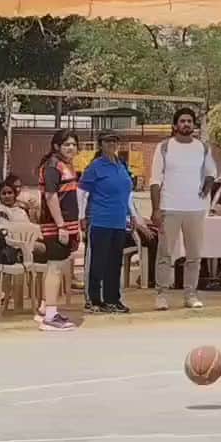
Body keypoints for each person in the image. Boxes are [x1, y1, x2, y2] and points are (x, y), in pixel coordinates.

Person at [149, 106, 217, 311]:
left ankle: (190, 294)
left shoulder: (202, 147)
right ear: (175, 125)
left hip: (195, 209)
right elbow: (155, 180)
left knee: (194, 254)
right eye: (182, 121)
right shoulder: (164, 147)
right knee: (165, 254)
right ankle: (161, 294)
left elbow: (211, 172)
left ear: (194, 125)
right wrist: (156, 209)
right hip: (169, 207)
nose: (186, 124)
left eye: (189, 121)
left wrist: (205, 189)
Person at [80, 131, 151, 314]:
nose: (112, 144)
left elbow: (127, 195)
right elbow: (83, 193)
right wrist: (81, 217)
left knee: (114, 262)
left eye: (115, 141)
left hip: (119, 222)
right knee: (98, 261)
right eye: (108, 141)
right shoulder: (96, 167)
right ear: (101, 144)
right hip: (100, 220)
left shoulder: (121, 166)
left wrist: (134, 215)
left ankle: (113, 299)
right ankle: (94, 299)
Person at [36, 129, 82, 331]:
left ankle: (46, 308)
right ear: (56, 147)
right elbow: (50, 196)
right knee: (54, 268)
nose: (71, 148)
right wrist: (61, 225)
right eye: (66, 144)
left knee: (57, 266)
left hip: (66, 224)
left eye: (73, 144)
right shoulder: (53, 167)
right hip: (56, 226)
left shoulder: (65, 165)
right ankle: (50, 316)